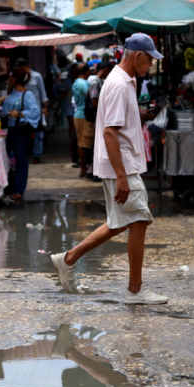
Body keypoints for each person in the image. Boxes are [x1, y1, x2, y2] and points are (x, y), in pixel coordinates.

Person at [50, 33, 167, 305]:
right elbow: (109, 133)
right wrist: (122, 176)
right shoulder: (117, 84)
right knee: (138, 219)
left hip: (122, 163)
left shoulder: (127, 80)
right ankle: (135, 291)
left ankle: (68, 259)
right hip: (121, 165)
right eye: (149, 59)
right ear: (138, 56)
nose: (151, 64)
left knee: (121, 221)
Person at [2, 67, 41, 200]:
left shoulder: (27, 94)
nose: (9, 79)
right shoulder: (11, 92)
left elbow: (35, 112)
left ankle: (19, 189)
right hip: (7, 130)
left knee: (21, 160)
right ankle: (6, 187)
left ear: (16, 78)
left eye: (11, 77)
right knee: (4, 159)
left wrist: (19, 113)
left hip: (19, 131)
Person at [85, 61, 115, 181]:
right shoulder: (95, 83)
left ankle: (93, 171)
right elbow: (94, 102)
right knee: (97, 145)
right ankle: (93, 172)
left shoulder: (99, 82)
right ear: (106, 70)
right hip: (96, 118)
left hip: (98, 118)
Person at [15, 58, 48, 164]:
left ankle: (36, 155)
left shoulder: (36, 76)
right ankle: (24, 154)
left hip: (36, 110)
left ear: (24, 67)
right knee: (24, 132)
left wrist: (45, 107)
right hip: (23, 110)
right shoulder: (18, 77)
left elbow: (42, 92)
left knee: (38, 133)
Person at [72, 63, 93, 178]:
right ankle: (83, 169)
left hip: (78, 114)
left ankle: (83, 168)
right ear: (87, 72)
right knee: (84, 143)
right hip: (84, 115)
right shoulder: (83, 83)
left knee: (81, 142)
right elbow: (91, 97)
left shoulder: (76, 82)